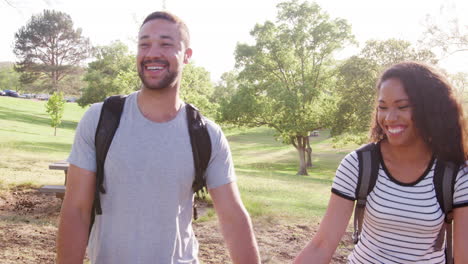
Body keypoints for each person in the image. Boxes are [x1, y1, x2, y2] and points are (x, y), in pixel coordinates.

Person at [56, 11, 260, 264]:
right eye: (144, 44)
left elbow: (233, 219)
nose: (152, 53)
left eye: (165, 44)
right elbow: (76, 210)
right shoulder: (100, 120)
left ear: (186, 56)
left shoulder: (207, 135)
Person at [294, 61, 468, 264]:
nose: (389, 118)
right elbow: (321, 245)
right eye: (382, 107)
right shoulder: (358, 164)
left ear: (430, 110)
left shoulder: (456, 174)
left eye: (402, 106)